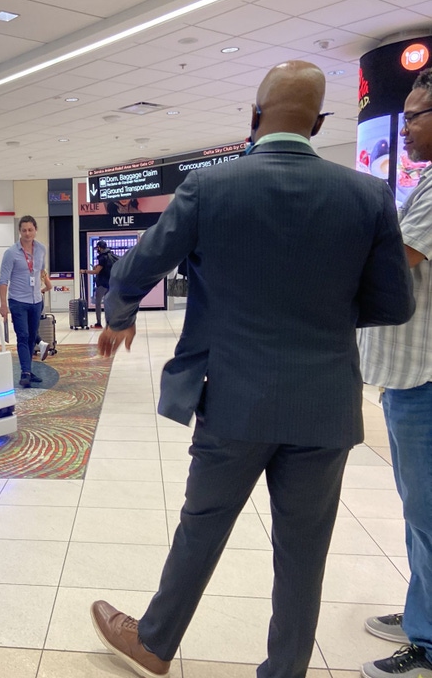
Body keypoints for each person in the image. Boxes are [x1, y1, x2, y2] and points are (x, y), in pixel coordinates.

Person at [90, 61, 415, 678]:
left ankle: (154, 643)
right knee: (303, 552)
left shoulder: (211, 187)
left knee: (202, 527)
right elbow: (394, 304)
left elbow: (138, 264)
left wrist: (120, 313)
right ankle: (284, 669)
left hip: (235, 397)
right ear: (319, 124)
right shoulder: (367, 195)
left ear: (253, 117)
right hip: (325, 404)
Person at [357, 68, 432, 678]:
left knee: (428, 514)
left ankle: (429, 642)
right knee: (417, 510)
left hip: (426, 378)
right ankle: (421, 614)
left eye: (415, 117)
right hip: (410, 374)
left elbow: (394, 263)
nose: (403, 128)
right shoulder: (425, 182)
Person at [0, 215, 47, 388]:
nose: (27, 233)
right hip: (18, 301)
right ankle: (25, 372)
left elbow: (41, 271)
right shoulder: (11, 253)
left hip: (36, 301)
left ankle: (28, 369)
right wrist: (3, 305)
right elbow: (3, 280)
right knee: (23, 336)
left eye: (30, 230)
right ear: (19, 231)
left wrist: (45, 286)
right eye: (24, 230)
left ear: (35, 230)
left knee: (32, 337)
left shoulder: (41, 249)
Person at [82, 240, 117, 328]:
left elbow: (97, 271)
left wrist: (85, 271)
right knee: (109, 304)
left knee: (98, 304)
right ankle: (110, 323)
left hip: (102, 284)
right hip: (111, 283)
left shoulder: (102, 258)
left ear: (99, 247)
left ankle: (98, 323)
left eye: (97, 247)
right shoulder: (111, 255)